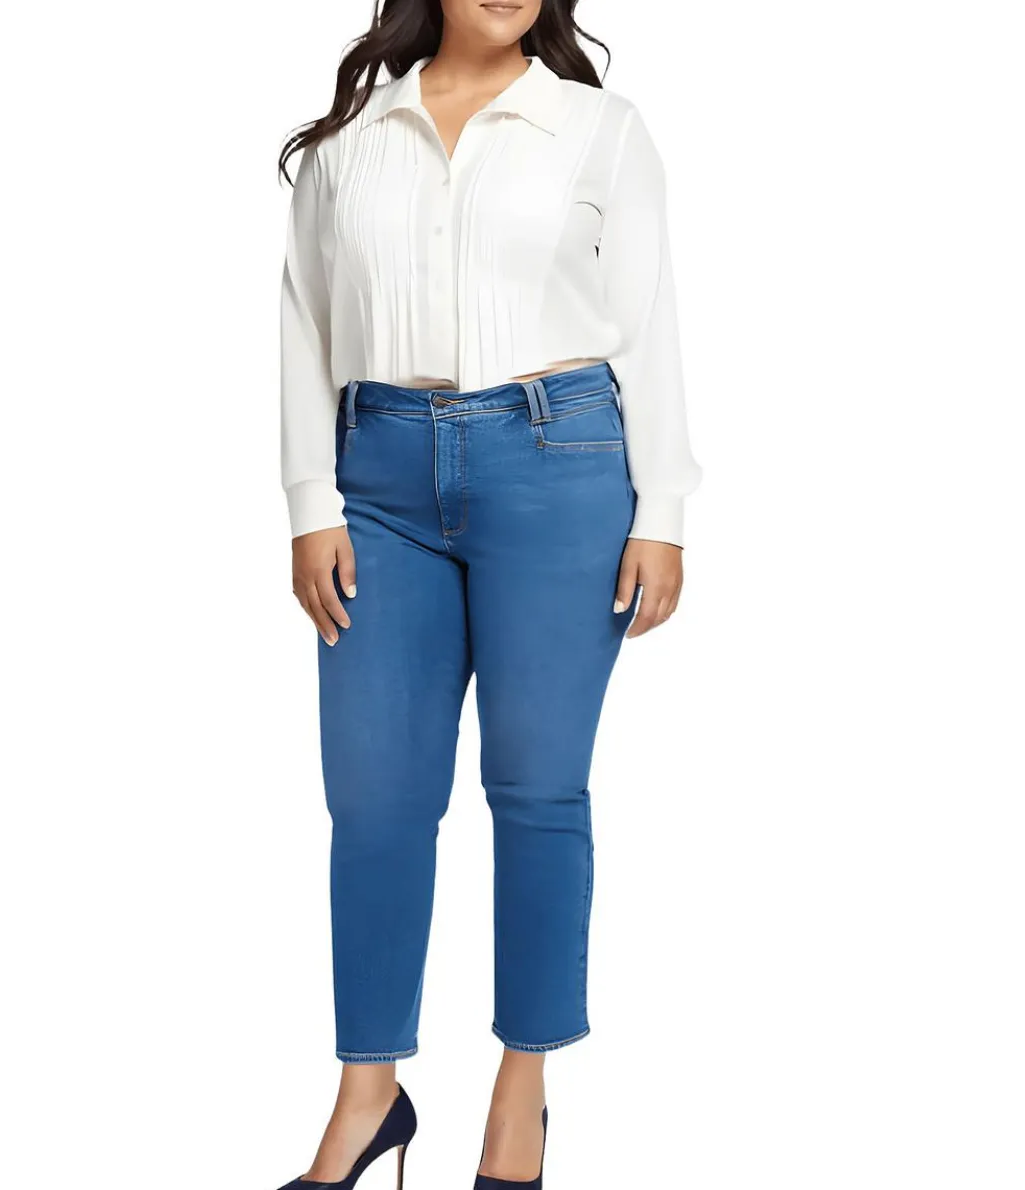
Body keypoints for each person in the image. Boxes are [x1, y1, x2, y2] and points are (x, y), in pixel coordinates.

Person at [276, 1, 701, 1185]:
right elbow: (304, 318)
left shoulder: (599, 129)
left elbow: (649, 322)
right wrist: (309, 497)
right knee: (373, 798)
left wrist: (662, 510)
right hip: (378, 481)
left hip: (559, 463)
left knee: (536, 786)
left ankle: (521, 1092)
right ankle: (368, 1094)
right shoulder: (349, 139)